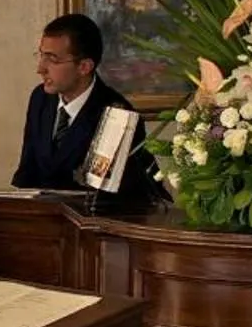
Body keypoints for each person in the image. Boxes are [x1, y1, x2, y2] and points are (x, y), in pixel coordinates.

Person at [11, 12, 155, 202]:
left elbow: (112, 198)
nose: (40, 68)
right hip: (41, 222)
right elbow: (27, 171)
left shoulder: (117, 115)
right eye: (41, 55)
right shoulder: (40, 98)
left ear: (84, 67)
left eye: (52, 59)